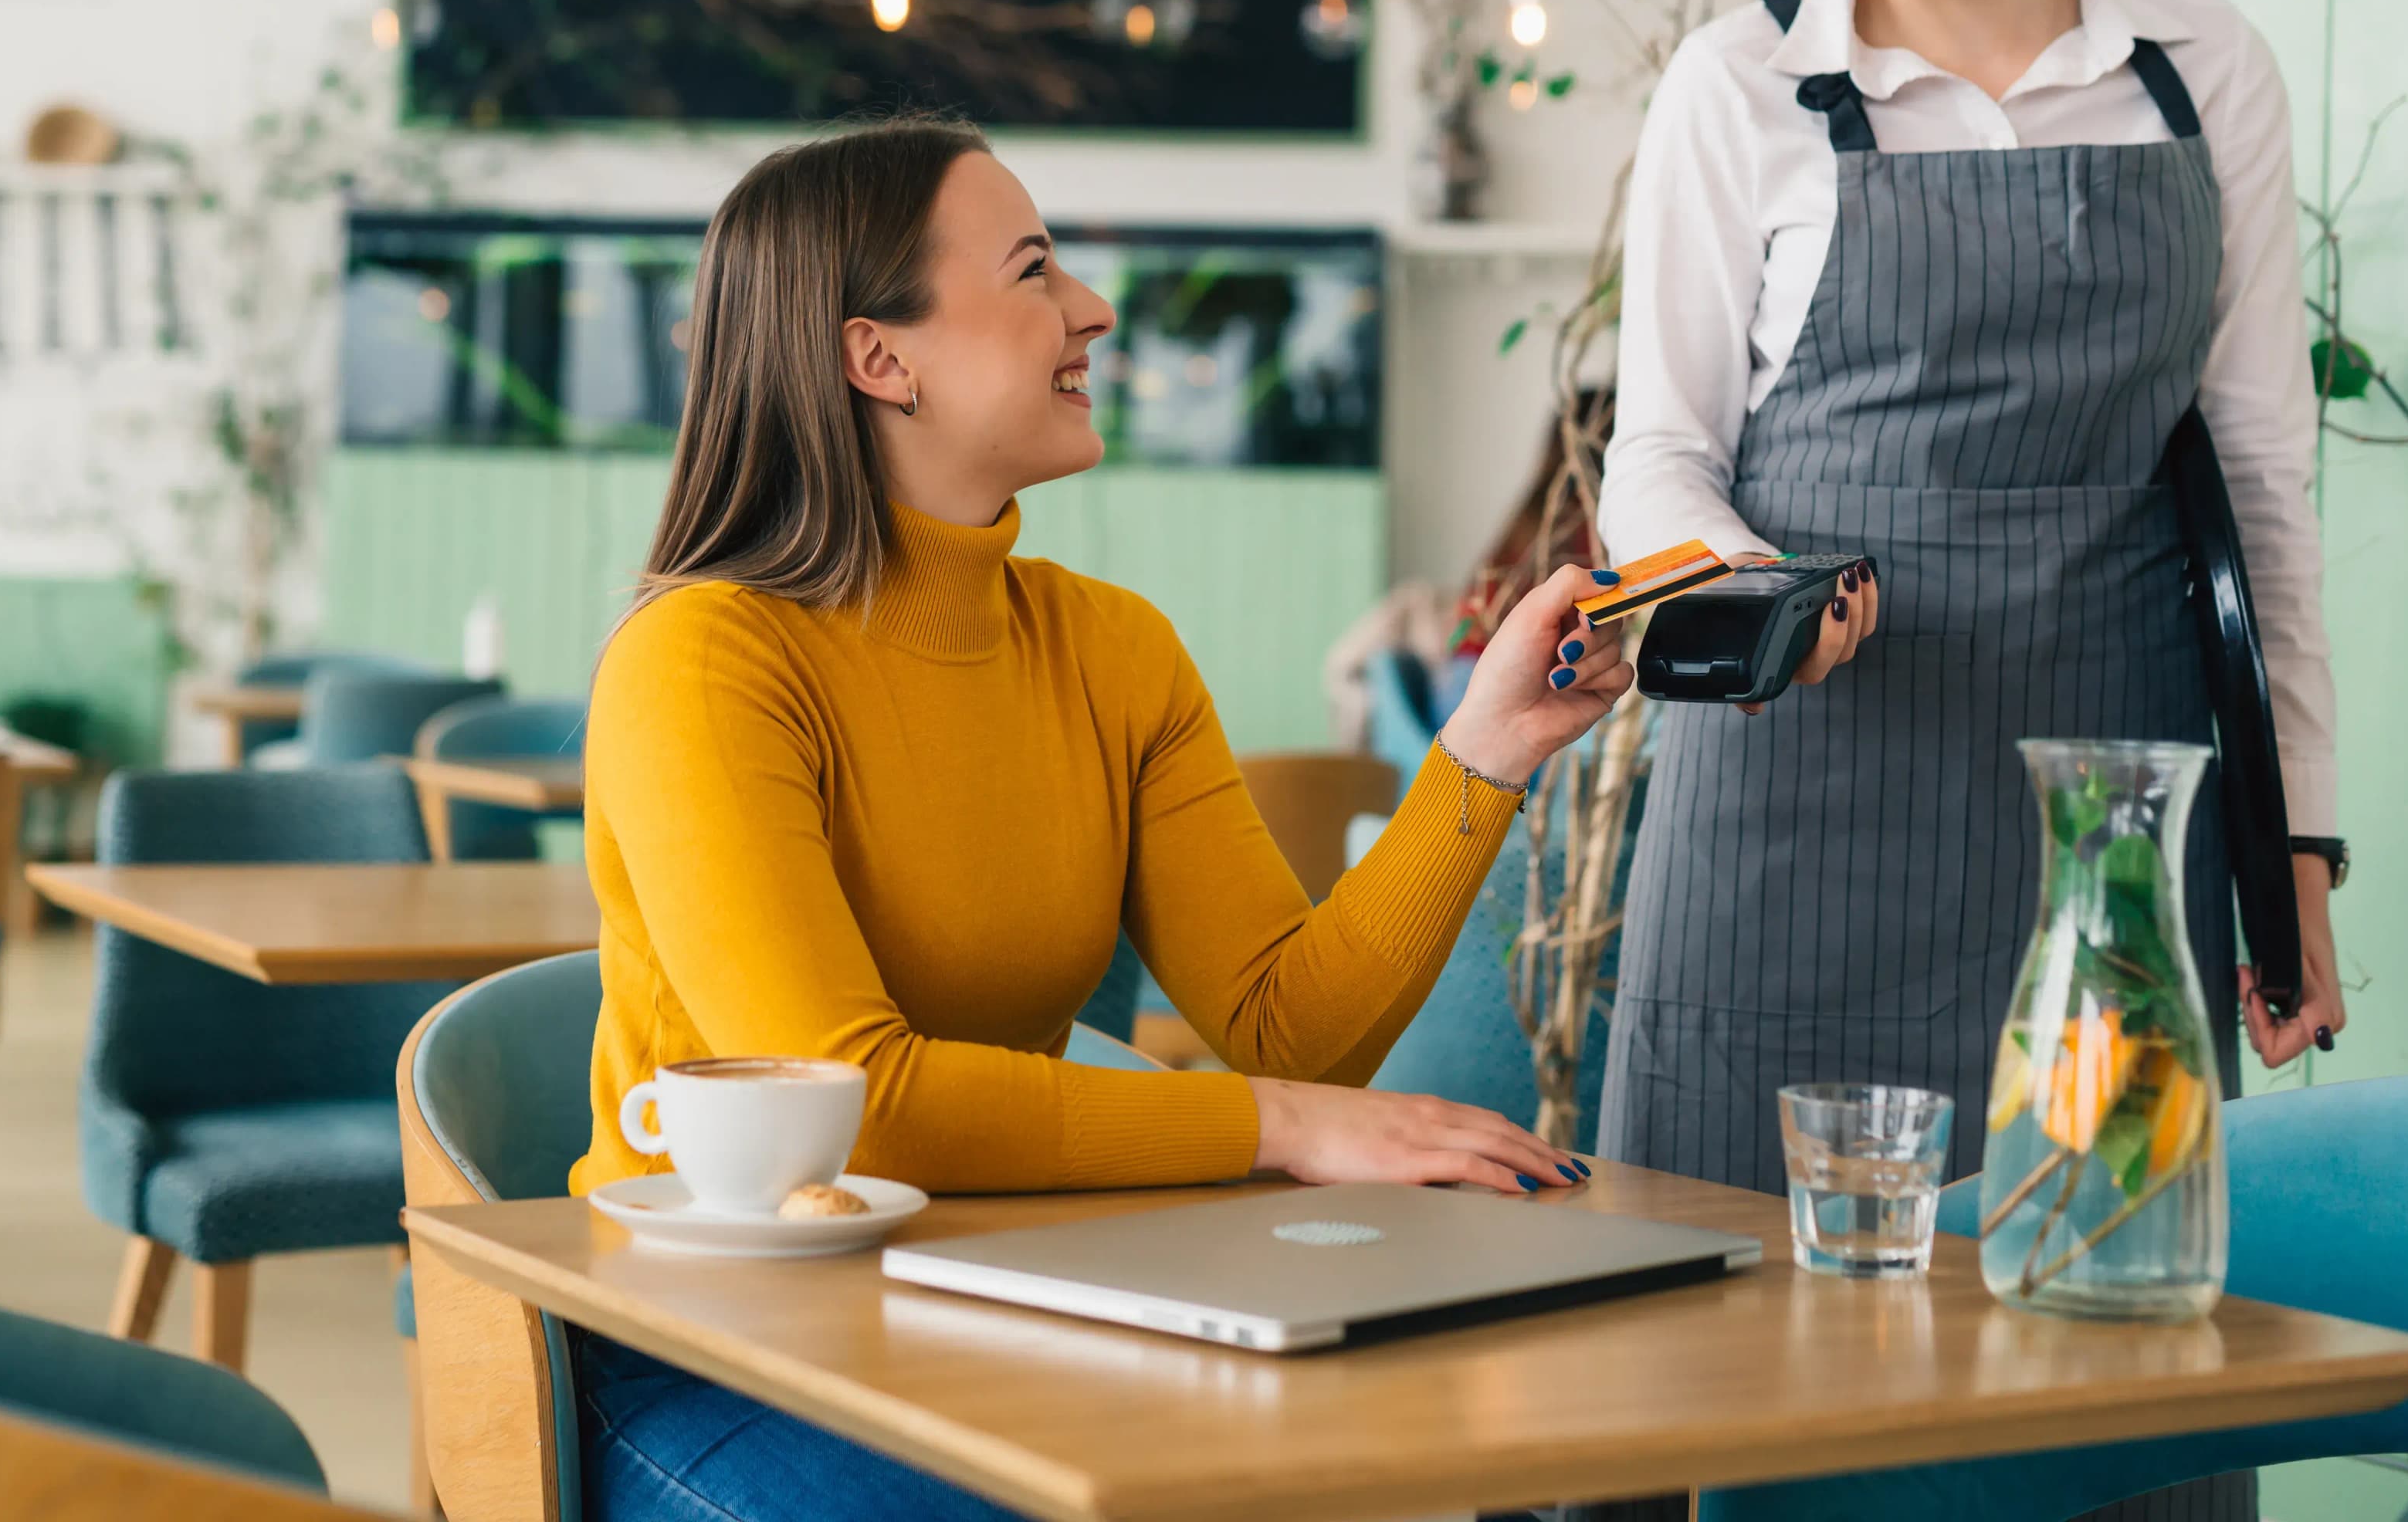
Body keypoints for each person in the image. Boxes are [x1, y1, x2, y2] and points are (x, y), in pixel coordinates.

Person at [571, 117, 1631, 1522]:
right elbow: (853, 1102)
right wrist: (1277, 1128)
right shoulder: (702, 660)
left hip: (1005, 1307)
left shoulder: (1112, 650)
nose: (1095, 310)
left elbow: (1291, 1028)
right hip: (714, 1355)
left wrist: (1487, 747)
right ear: (879, 357)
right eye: (1032, 272)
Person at [1595, 0, 2345, 1520]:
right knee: (1731, 1388)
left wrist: (2293, 850)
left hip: (2107, 826)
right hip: (1794, 812)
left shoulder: (2202, 71)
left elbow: (2258, 483)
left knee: (2103, 1395)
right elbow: (1656, 458)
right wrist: (1759, 593)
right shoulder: (1739, 90)